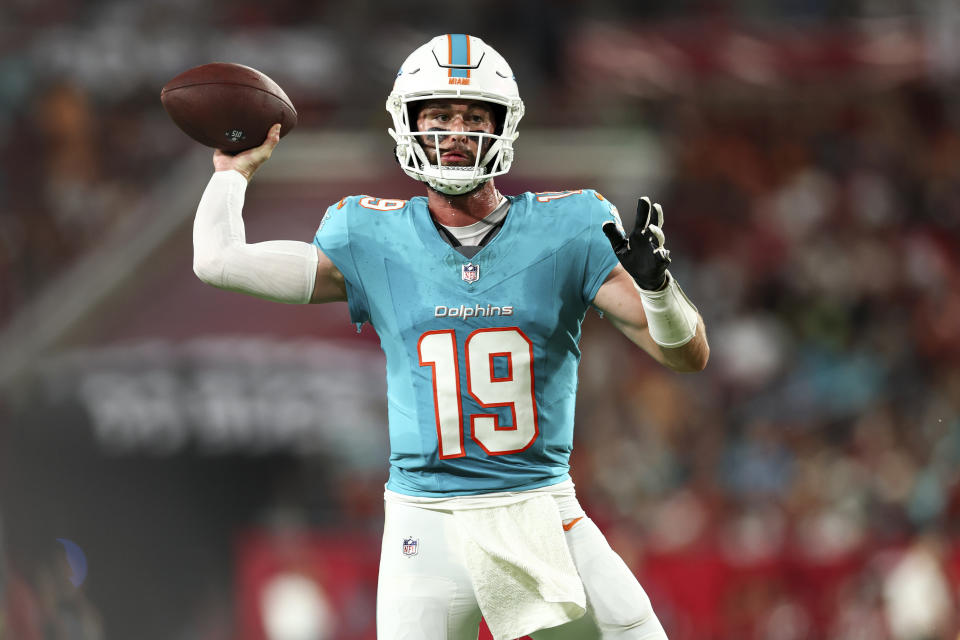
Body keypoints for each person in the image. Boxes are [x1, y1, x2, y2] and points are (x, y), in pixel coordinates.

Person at [192, 34, 708, 640]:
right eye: (438, 114)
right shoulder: (368, 234)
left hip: (539, 508)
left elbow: (686, 354)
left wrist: (659, 290)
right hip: (425, 522)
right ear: (408, 123)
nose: (455, 131)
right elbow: (218, 260)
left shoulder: (569, 226)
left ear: (503, 126)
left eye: (472, 116)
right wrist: (231, 173)